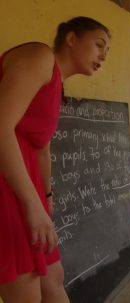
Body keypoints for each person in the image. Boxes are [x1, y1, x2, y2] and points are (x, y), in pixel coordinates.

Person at [0, 17, 110, 303]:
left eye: (107, 51)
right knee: (26, 291)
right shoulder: (39, 56)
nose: (103, 55)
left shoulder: (56, 84)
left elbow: (41, 149)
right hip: (5, 179)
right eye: (99, 45)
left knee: (53, 277)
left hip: (25, 182)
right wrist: (31, 203)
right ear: (71, 39)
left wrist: (45, 196)